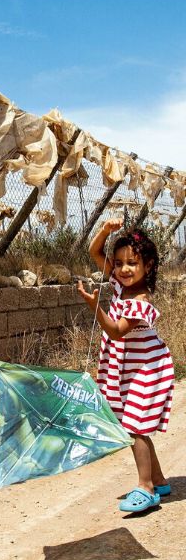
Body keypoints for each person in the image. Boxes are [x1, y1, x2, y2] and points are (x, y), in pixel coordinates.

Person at [78, 218, 174, 512]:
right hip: (130, 366)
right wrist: (105, 232)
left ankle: (146, 488)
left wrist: (95, 306)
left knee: (135, 426)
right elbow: (94, 251)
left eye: (132, 263)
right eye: (118, 263)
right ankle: (157, 479)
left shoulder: (141, 299)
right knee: (135, 424)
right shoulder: (120, 285)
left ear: (149, 265)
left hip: (149, 368)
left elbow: (116, 331)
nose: (123, 269)